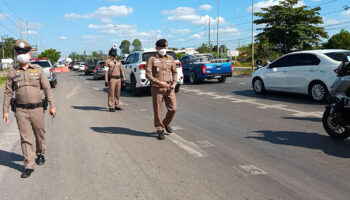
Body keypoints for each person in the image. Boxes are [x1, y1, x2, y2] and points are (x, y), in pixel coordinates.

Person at [2, 40, 56, 178]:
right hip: (21, 111)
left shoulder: (37, 69)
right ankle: (28, 165)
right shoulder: (12, 72)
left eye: (24, 51)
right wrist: (5, 111)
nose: (22, 54)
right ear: (16, 54)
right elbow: (8, 92)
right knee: (25, 138)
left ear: (29, 53)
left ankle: (40, 153)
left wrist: (52, 106)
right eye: (19, 52)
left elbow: (47, 88)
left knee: (39, 133)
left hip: (37, 109)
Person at [146, 39, 177, 140]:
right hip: (157, 88)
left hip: (169, 87)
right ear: (157, 48)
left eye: (165, 47)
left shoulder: (170, 58)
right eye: (162, 48)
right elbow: (148, 74)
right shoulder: (152, 59)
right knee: (158, 110)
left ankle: (165, 123)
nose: (164, 49)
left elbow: (175, 72)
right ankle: (160, 129)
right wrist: (159, 83)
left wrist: (174, 83)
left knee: (173, 109)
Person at [104, 47, 126, 112]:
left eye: (115, 52)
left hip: (118, 79)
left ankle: (117, 105)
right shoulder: (107, 61)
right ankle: (111, 106)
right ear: (110, 53)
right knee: (111, 93)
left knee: (118, 93)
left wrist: (124, 78)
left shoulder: (118, 61)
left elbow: (122, 70)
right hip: (112, 79)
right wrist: (106, 80)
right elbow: (106, 71)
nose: (114, 53)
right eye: (113, 52)